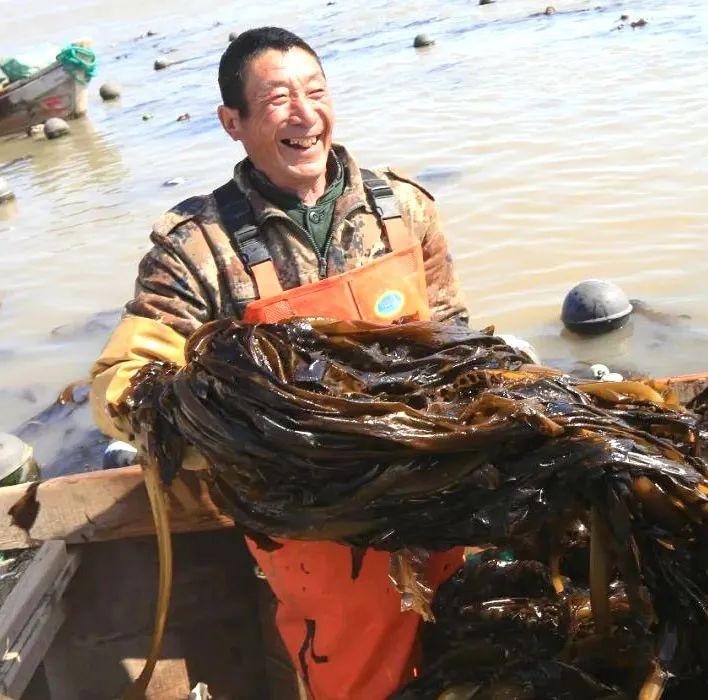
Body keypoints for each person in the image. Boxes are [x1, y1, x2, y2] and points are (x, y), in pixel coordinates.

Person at [89, 26, 468, 699]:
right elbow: (122, 390)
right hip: (310, 529)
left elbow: (456, 337)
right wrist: (248, 432)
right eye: (277, 100)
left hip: (435, 497)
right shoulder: (195, 250)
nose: (303, 114)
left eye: (315, 93)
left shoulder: (403, 211)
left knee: (473, 659)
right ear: (232, 122)